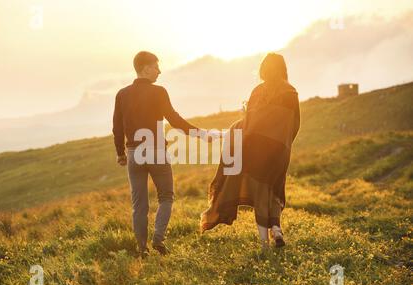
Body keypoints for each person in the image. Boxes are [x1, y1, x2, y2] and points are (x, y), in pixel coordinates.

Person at [113, 51, 214, 258]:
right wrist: (201, 134)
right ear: (145, 68)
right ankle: (158, 239)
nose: (159, 71)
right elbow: (175, 120)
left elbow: (117, 127)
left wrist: (120, 153)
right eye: (156, 66)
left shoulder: (122, 94)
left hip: (134, 154)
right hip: (157, 151)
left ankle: (142, 249)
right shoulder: (159, 92)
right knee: (166, 197)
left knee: (139, 206)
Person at [200, 53, 300, 249]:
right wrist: (284, 143)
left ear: (264, 69)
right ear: (283, 68)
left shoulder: (258, 91)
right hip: (280, 149)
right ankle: (276, 229)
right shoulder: (291, 92)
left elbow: (250, 123)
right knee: (275, 188)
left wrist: (237, 129)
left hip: (256, 149)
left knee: (261, 191)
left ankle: (264, 244)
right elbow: (294, 123)